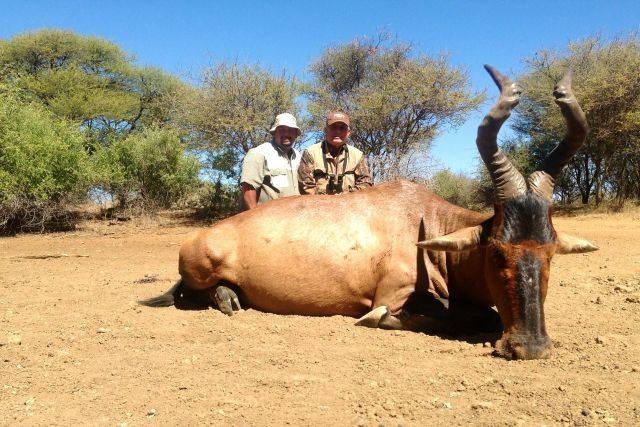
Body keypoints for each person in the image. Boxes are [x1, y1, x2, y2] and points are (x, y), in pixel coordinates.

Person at [298, 111, 372, 195]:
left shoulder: (357, 155)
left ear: (348, 133)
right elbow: (305, 185)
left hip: (349, 201)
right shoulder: (311, 152)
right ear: (325, 130)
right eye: (333, 127)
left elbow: (365, 184)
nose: (338, 131)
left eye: (342, 128)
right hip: (318, 202)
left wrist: (346, 197)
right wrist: (325, 200)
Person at [240, 113, 302, 210]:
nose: (286, 134)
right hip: (269, 216)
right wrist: (255, 215)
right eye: (282, 130)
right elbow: (248, 187)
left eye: (290, 130)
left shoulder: (298, 156)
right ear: (274, 133)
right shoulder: (259, 153)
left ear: (296, 134)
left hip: (295, 215)